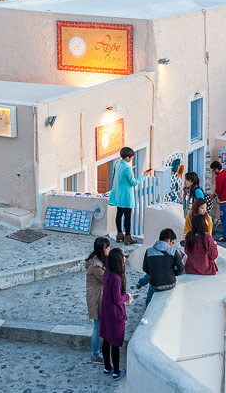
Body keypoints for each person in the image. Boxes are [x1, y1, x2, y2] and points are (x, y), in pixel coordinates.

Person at [100, 248, 132, 380]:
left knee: (107, 339)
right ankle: (116, 371)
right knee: (115, 342)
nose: (124, 258)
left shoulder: (107, 272)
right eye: (123, 257)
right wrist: (127, 296)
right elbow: (118, 299)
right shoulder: (117, 278)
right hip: (115, 313)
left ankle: (107, 367)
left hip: (106, 311)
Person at [108, 146, 151, 245]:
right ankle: (128, 237)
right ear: (127, 157)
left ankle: (119, 234)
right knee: (127, 217)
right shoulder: (127, 167)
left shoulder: (117, 164)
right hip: (126, 195)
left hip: (118, 194)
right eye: (131, 157)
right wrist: (144, 176)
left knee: (119, 215)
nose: (132, 158)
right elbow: (134, 182)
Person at [142, 228, 185, 306]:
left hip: (155, 285)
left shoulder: (149, 251)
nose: (172, 245)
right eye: (172, 242)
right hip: (170, 284)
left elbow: (145, 268)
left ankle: (147, 304)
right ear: (168, 240)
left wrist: (154, 273)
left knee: (151, 286)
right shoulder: (173, 251)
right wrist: (173, 273)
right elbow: (181, 269)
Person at [86, 237, 110, 364]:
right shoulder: (96, 266)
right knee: (97, 326)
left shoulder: (98, 261)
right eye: (107, 248)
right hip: (96, 298)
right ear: (102, 249)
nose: (109, 250)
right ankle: (95, 354)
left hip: (99, 296)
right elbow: (107, 279)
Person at [209, 160, 226, 242]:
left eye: (213, 170)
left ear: (217, 169)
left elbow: (218, 190)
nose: (213, 172)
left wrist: (213, 195)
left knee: (225, 217)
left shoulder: (219, 176)